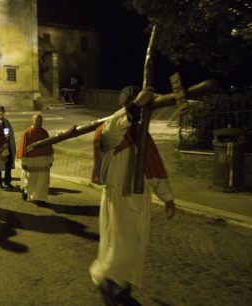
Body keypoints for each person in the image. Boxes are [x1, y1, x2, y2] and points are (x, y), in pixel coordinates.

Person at [88, 86, 176, 306]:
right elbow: (114, 128)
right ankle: (105, 277)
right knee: (119, 244)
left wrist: (167, 196)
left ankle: (121, 284)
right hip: (118, 198)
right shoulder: (112, 131)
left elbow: (153, 167)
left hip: (139, 198)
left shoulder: (140, 135)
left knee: (133, 245)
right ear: (125, 106)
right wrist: (136, 104)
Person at [17, 113, 53, 204]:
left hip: (43, 160)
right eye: (37, 120)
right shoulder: (27, 133)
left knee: (43, 180)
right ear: (33, 121)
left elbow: (49, 147)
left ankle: (40, 197)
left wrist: (50, 160)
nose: (38, 123)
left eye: (40, 121)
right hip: (31, 161)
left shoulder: (44, 133)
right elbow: (23, 148)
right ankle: (26, 192)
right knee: (30, 180)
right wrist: (23, 162)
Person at [0, 105, 16, 189]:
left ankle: (7, 181)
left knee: (8, 163)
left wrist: (7, 138)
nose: (1, 113)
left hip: (8, 145)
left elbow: (9, 134)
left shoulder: (6, 122)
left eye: (2, 111)